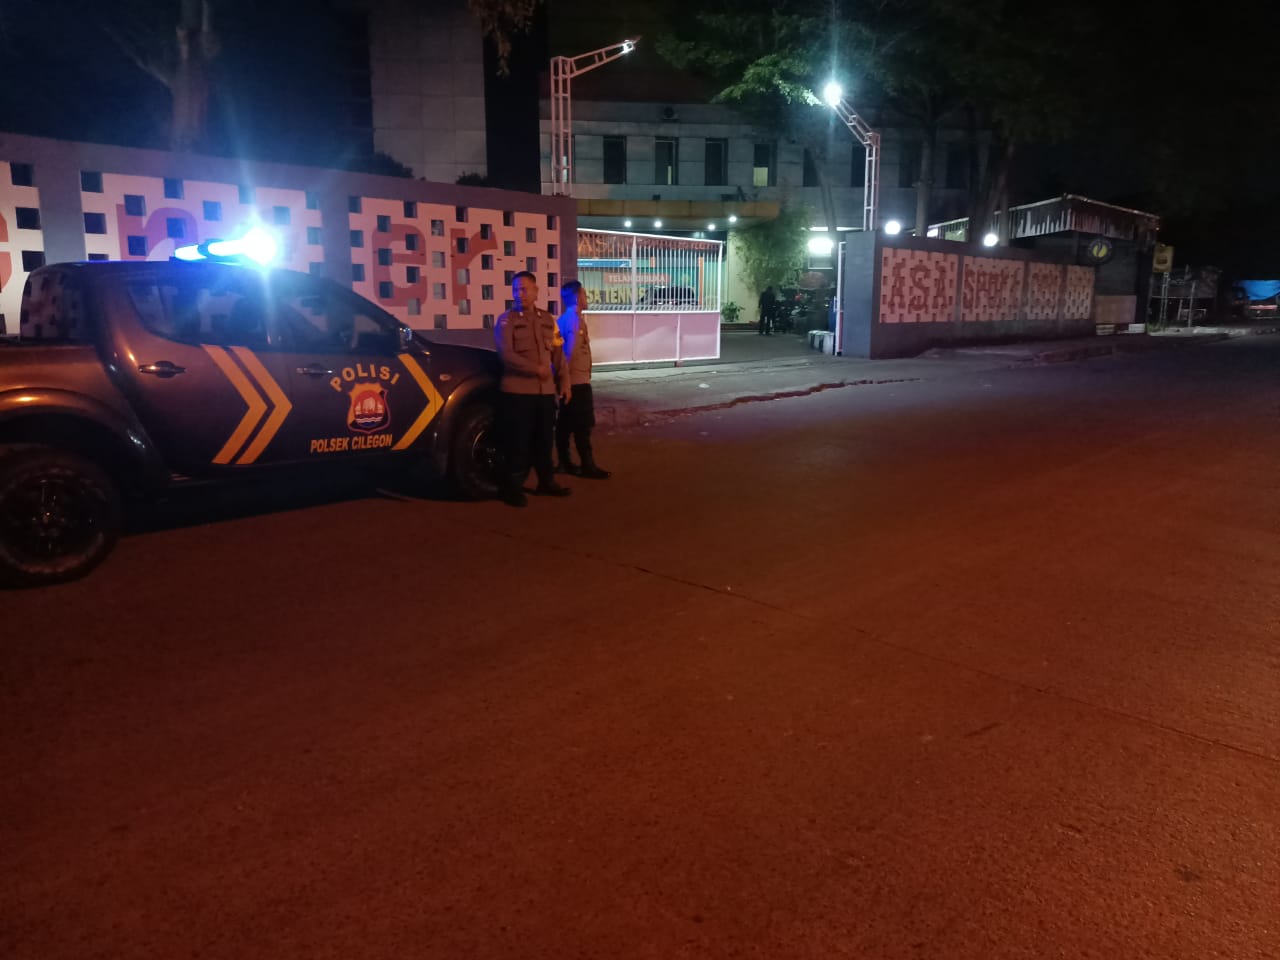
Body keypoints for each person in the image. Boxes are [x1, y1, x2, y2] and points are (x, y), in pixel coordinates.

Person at [492, 271, 572, 507]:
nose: (520, 294)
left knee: (544, 441)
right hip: (518, 393)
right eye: (516, 289)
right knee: (518, 443)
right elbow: (506, 355)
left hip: (544, 393)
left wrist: (565, 382)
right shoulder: (506, 321)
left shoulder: (547, 319)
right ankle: (511, 488)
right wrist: (535, 369)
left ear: (536, 291)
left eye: (525, 289)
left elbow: (558, 353)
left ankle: (546, 482)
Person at [555, 280, 610, 480]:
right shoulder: (573, 321)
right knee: (582, 426)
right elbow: (569, 354)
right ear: (577, 297)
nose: (587, 298)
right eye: (584, 294)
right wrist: (566, 382)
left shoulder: (568, 319)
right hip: (576, 383)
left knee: (565, 424)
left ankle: (565, 463)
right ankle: (587, 465)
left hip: (573, 381)